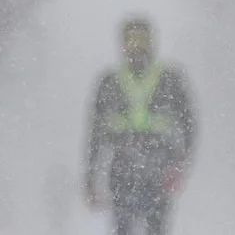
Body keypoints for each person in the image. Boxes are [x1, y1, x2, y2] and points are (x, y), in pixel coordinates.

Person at [84, 16, 196, 235]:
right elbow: (95, 135)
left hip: (159, 166)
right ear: (122, 44)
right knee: (122, 228)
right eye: (130, 40)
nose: (135, 46)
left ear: (151, 42)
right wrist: (90, 180)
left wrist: (180, 166)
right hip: (122, 167)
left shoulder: (170, 78)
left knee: (157, 228)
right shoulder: (109, 82)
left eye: (140, 39)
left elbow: (189, 125)